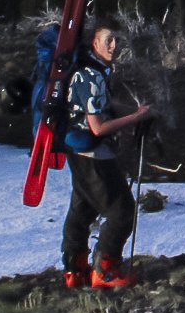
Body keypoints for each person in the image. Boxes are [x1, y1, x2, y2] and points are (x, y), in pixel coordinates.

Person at [61, 19, 153, 289]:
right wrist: (135, 118)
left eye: (116, 40)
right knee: (122, 211)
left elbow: (101, 103)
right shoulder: (92, 75)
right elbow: (98, 126)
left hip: (77, 149)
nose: (114, 45)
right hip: (92, 153)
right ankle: (105, 269)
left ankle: (75, 271)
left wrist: (133, 111)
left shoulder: (88, 69)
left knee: (83, 209)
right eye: (108, 40)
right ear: (94, 43)